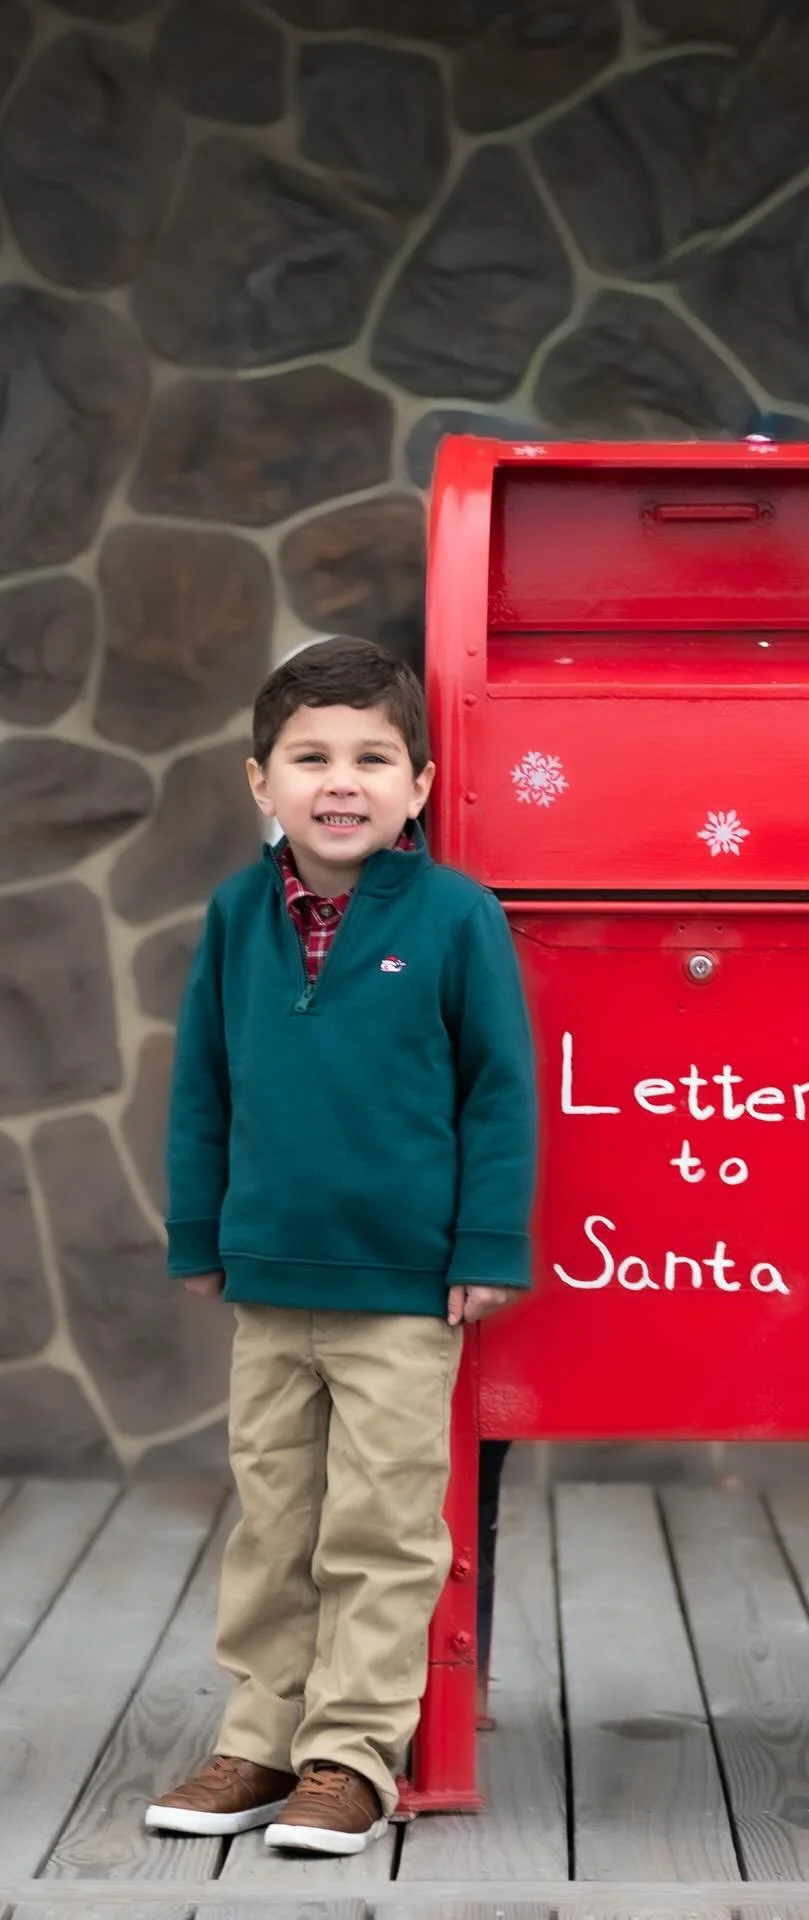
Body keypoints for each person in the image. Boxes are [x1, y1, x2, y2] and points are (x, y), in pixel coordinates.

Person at [145, 636, 536, 1856]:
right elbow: (203, 1082)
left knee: (377, 1526)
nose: (341, 780)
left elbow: (500, 1092)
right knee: (275, 1518)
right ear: (260, 780)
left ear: (419, 782)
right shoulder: (235, 914)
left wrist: (485, 1243)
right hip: (271, 1278)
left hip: (404, 1290)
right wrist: (201, 1227)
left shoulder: (457, 917)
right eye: (310, 756)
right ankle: (260, 1737)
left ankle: (350, 1755)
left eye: (373, 756)